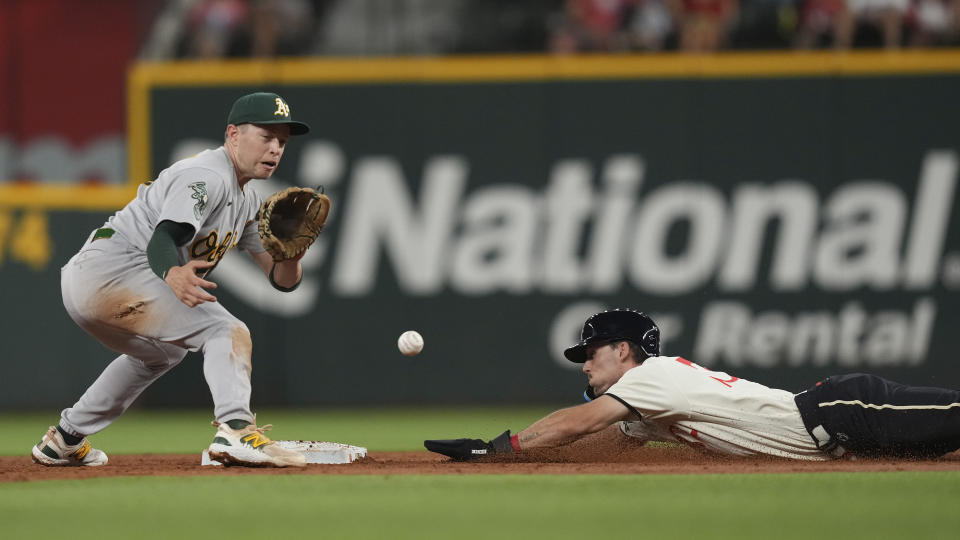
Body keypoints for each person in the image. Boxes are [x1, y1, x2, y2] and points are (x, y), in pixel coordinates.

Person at [32, 92, 314, 468]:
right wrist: (173, 273)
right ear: (233, 134)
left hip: (97, 282)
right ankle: (236, 429)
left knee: (163, 353)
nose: (276, 148)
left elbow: (281, 281)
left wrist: (291, 256)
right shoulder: (207, 176)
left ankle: (65, 439)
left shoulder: (245, 201)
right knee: (226, 331)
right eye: (266, 136)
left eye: (282, 140)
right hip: (113, 270)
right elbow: (164, 238)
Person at [425, 309, 960, 461]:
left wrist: (503, 448)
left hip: (844, 411)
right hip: (845, 437)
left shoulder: (652, 378)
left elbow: (581, 422)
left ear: (622, 351)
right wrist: (527, 455)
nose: (584, 366)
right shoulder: (645, 406)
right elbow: (601, 439)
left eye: (590, 355)